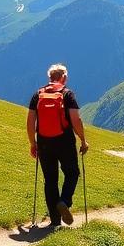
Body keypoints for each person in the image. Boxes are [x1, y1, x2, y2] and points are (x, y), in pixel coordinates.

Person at [27, 64, 89, 228]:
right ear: (64, 77)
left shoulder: (38, 94)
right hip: (65, 141)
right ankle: (65, 201)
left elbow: (30, 121)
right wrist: (83, 140)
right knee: (72, 173)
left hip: (44, 142)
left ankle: (55, 221)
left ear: (50, 77)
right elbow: (76, 120)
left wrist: (33, 143)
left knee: (50, 180)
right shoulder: (67, 94)